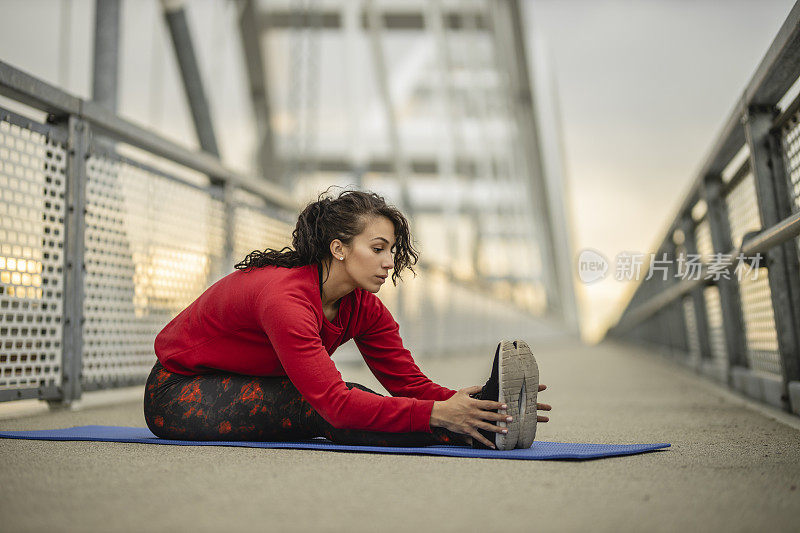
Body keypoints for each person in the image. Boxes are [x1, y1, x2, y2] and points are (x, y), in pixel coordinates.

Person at [143, 189, 551, 450]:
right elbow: (335, 406)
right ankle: (476, 432)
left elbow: (409, 384)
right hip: (178, 393)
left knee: (344, 399)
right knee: (326, 404)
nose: (389, 262)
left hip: (247, 383)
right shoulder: (286, 300)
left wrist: (466, 402)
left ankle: (484, 419)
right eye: (377, 248)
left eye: (391, 250)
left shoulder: (364, 308)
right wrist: (440, 414)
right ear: (338, 248)